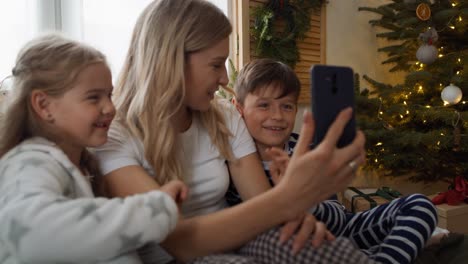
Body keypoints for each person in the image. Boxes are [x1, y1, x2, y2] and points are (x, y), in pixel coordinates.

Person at [93, 0, 372, 263]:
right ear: (171, 61)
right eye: (216, 65)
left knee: (321, 249)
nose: (225, 79)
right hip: (177, 257)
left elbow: (261, 202)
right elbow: (180, 243)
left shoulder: (223, 115)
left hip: (241, 240)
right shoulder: (115, 136)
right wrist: (287, 199)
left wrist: (295, 214)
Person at [0, 34, 189, 264]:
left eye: (109, 95)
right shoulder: (29, 163)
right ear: (43, 105)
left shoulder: (79, 165)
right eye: (93, 98)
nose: (110, 108)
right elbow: (32, 234)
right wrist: (154, 210)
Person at [228, 58, 439, 264]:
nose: (277, 116)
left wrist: (305, 202)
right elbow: (250, 231)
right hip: (297, 242)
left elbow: (338, 219)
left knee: (420, 205)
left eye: (287, 106)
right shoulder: (236, 165)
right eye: (264, 105)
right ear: (238, 108)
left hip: (337, 230)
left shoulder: (308, 150)